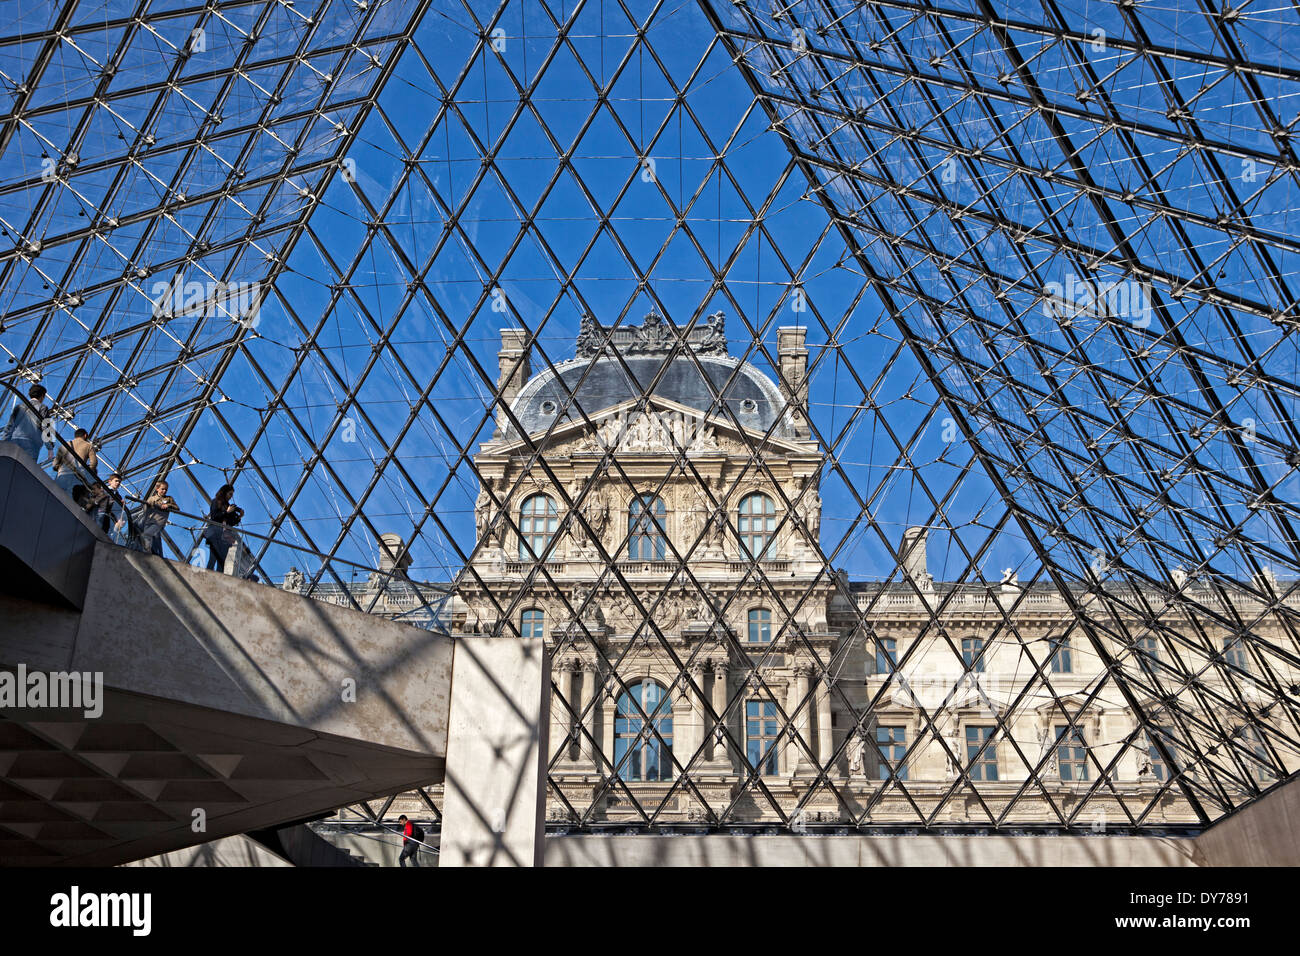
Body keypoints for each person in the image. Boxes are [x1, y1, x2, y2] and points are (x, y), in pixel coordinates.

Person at [0, 383, 52, 463]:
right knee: (25, 468)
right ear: (42, 396)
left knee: (8, 465)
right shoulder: (43, 407)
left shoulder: (19, 407)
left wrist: (3, 443)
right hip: (32, 443)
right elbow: (45, 427)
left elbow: (9, 427)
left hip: (15, 440)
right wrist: (49, 447)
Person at [202, 484, 244, 572]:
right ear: (224, 493)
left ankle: (217, 581)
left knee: (221, 562)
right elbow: (214, 517)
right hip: (216, 535)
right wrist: (226, 512)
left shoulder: (228, 506)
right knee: (212, 559)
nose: (231, 497)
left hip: (225, 537)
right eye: (230, 494)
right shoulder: (216, 502)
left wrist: (239, 517)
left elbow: (232, 522)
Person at [135, 480, 178, 556]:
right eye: (162, 489)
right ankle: (146, 551)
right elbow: (145, 510)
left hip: (159, 522)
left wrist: (168, 505)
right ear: (157, 489)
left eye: (166, 489)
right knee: (147, 537)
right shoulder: (152, 498)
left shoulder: (169, 499)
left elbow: (177, 508)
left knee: (146, 535)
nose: (164, 491)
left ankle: (147, 552)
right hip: (149, 520)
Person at [53, 427, 97, 498]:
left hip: (63, 472)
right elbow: (94, 463)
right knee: (70, 498)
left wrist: (58, 468)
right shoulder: (88, 445)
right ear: (85, 435)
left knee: (55, 493)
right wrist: (89, 471)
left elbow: (55, 462)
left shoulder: (66, 444)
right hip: (78, 475)